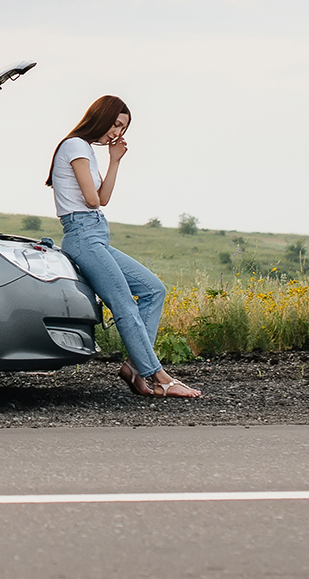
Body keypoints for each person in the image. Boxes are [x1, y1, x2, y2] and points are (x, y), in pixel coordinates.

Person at [47, 95, 200, 398]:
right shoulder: (75, 145)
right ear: (101, 116)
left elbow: (103, 199)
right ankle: (159, 377)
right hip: (82, 236)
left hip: (95, 235)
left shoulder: (87, 150)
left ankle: (134, 367)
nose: (117, 132)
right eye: (116, 124)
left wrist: (114, 160)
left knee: (153, 289)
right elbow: (92, 200)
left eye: (123, 128)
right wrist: (97, 185)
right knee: (124, 303)